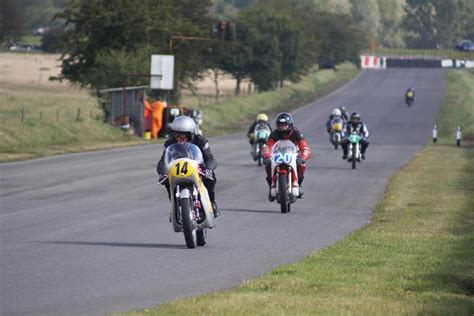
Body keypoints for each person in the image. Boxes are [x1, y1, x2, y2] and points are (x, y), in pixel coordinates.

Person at [156, 116, 220, 217]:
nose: (180, 138)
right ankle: (174, 206)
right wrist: (162, 172)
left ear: (191, 134)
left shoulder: (201, 141)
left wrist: (208, 168)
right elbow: (162, 161)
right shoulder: (169, 143)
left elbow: (210, 158)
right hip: (176, 169)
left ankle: (212, 203)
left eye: (184, 135)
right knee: (166, 181)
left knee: (211, 177)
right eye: (177, 135)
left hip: (197, 168)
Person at [262, 112, 311, 200]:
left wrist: (302, 157)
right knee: (268, 165)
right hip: (277, 155)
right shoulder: (274, 134)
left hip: (293, 155)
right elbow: (267, 146)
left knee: (302, 165)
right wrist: (266, 156)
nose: (282, 127)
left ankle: (298, 185)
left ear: (290, 124)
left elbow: (305, 147)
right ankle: (271, 186)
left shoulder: (297, 133)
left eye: (284, 125)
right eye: (280, 125)